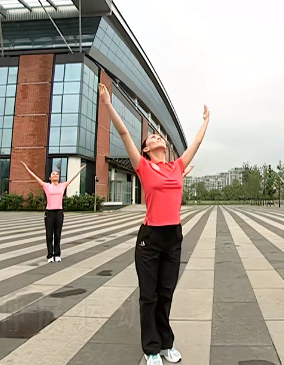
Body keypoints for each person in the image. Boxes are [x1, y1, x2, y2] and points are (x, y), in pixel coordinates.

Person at [98, 83, 209, 365]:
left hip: (174, 236)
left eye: (159, 136)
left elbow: (194, 145)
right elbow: (124, 133)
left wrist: (206, 122)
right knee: (149, 296)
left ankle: (166, 344)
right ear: (146, 149)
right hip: (149, 239)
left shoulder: (177, 167)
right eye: (153, 138)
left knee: (166, 293)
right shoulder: (143, 166)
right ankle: (150, 349)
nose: (158, 138)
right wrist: (108, 104)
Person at [21, 161, 85, 263]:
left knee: (58, 235)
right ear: (50, 178)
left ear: (59, 177)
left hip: (59, 213)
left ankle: (57, 254)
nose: (55, 175)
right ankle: (50, 255)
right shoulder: (46, 186)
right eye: (53, 174)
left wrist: (80, 169)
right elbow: (34, 176)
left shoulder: (63, 185)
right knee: (49, 235)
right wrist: (26, 167)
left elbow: (73, 177)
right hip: (49, 213)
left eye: (57, 174)